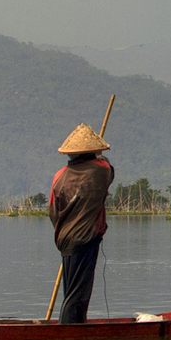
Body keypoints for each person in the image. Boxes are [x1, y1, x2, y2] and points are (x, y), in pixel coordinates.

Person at [49, 124, 115, 323]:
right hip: (86, 238)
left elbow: (53, 211)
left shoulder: (59, 176)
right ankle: (70, 331)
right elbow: (110, 171)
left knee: (72, 289)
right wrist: (100, 157)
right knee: (78, 293)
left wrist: (64, 230)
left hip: (65, 239)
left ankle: (72, 328)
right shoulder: (100, 170)